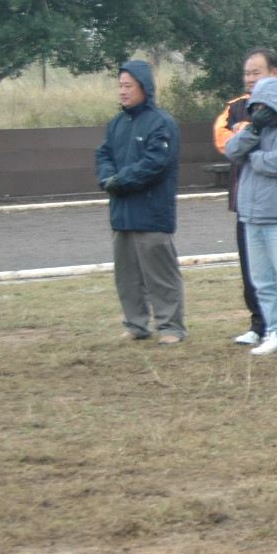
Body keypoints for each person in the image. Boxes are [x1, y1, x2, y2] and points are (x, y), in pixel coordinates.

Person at [213, 48, 277, 346]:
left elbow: (273, 148)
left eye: (257, 72)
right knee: (255, 272)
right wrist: (248, 131)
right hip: (245, 202)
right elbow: (225, 142)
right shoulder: (235, 106)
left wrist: (245, 138)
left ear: (274, 74)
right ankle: (260, 325)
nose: (250, 79)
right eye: (247, 73)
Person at [94, 60, 186, 344]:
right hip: (122, 213)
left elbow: (156, 163)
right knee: (127, 276)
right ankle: (136, 324)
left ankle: (170, 328)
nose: (122, 91)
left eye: (128, 86)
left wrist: (120, 181)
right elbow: (103, 155)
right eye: (120, 86)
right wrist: (107, 178)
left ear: (144, 87)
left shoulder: (162, 123)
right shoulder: (116, 124)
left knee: (160, 275)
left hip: (152, 212)